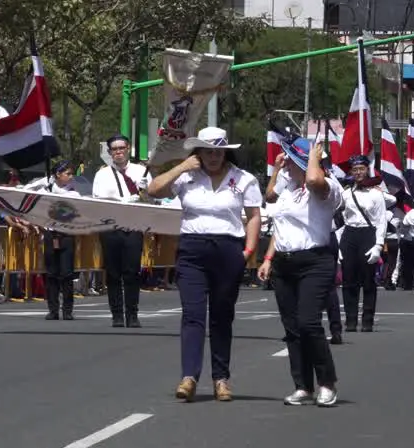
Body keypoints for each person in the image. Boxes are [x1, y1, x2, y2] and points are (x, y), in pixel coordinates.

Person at [146, 127, 261, 403]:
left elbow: (254, 215)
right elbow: (152, 189)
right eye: (207, 151)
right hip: (192, 250)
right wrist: (182, 166)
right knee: (193, 314)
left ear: (225, 152)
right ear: (197, 152)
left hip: (228, 249)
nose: (213, 156)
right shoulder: (186, 176)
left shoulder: (242, 178)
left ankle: (221, 379)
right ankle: (189, 377)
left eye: (218, 151)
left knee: (222, 317)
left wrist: (248, 250)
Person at [258, 137, 342, 407]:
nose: (287, 167)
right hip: (284, 262)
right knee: (292, 328)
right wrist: (268, 258)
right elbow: (275, 213)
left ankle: (326, 382)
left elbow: (316, 181)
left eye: (291, 162)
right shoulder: (288, 189)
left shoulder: (327, 187)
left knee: (308, 323)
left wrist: (314, 158)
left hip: (314, 261)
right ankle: (302, 385)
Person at [91, 134, 151, 327]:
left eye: (121, 148)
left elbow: (152, 198)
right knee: (113, 272)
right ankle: (116, 314)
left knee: (132, 272)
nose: (118, 152)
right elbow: (97, 202)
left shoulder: (141, 171)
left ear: (128, 149)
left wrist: (145, 192)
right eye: (114, 149)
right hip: (111, 227)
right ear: (109, 153)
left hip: (133, 226)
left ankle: (132, 314)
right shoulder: (102, 174)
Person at [21, 161, 80, 321]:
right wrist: (41, 182)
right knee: (52, 274)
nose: (70, 176)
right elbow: (25, 191)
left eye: (70, 173)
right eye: (67, 173)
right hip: (50, 235)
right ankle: (53, 309)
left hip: (66, 235)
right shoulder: (45, 189)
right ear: (57, 175)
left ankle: (67, 310)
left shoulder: (73, 194)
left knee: (67, 274)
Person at [337, 155, 389, 333]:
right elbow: (339, 219)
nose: (358, 172)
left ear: (367, 170)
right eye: (355, 169)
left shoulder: (376, 194)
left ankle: (368, 320)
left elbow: (381, 220)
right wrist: (338, 245)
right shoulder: (346, 193)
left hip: (368, 234)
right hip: (350, 234)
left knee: (368, 280)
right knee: (349, 280)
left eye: (361, 169)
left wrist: (378, 245)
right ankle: (350, 321)